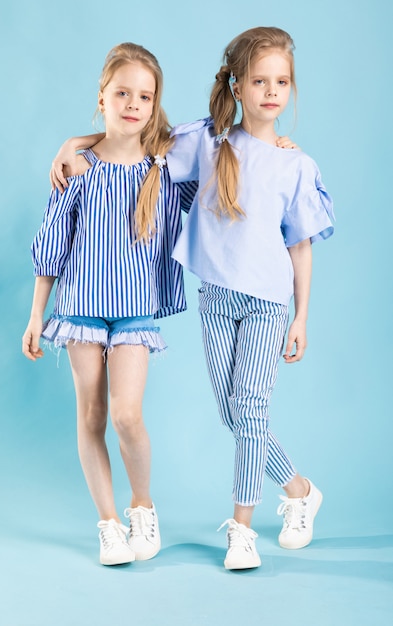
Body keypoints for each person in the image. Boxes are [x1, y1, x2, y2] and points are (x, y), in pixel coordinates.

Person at [49, 27, 334, 571]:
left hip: (269, 303)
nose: (272, 92)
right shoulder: (207, 142)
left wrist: (301, 316)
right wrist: (75, 144)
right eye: (259, 81)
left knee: (249, 410)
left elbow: (299, 245)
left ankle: (243, 530)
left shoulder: (296, 165)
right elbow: (135, 144)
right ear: (236, 85)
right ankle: (299, 490)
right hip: (216, 301)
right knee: (234, 414)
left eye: (282, 82)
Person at [22, 42, 194, 566]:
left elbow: (223, 137)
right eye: (122, 92)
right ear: (103, 96)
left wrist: (274, 143)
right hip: (78, 307)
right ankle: (109, 523)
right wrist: (36, 316)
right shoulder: (77, 165)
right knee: (92, 414)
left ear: (155, 103)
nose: (133, 104)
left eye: (145, 96)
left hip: (135, 309)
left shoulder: (166, 167)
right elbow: (52, 245)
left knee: (126, 415)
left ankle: (142, 503)